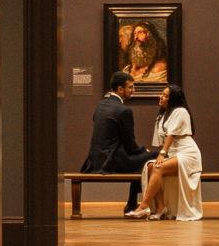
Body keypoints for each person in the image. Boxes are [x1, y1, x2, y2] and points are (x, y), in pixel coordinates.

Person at [80, 71, 156, 215]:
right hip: (111, 161)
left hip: (94, 160)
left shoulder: (101, 105)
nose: (133, 90)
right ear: (120, 89)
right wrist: (144, 150)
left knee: (140, 160)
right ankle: (136, 203)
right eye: (130, 87)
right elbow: (131, 146)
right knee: (154, 156)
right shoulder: (124, 110)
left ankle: (132, 203)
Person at [127, 84, 203, 221]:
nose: (161, 97)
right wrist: (161, 153)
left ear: (173, 99)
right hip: (174, 154)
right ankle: (160, 207)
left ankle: (143, 206)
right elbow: (162, 140)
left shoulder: (180, 111)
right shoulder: (162, 115)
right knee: (151, 167)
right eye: (162, 94)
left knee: (158, 167)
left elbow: (171, 135)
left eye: (165, 95)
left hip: (187, 153)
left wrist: (162, 154)